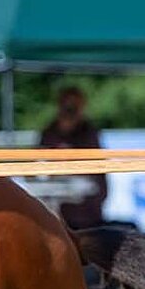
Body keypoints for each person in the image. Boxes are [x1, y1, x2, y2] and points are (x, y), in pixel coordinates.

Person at [39, 86, 105, 229]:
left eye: (74, 106)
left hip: (86, 214)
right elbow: (41, 166)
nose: (70, 110)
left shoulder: (89, 133)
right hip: (55, 213)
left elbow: (96, 170)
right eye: (67, 106)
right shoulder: (49, 133)